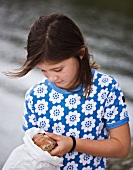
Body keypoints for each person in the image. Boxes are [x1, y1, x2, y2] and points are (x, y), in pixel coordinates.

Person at [6, 12, 131, 169]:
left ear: (80, 54)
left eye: (58, 69)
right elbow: (32, 151)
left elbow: (122, 148)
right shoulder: (35, 96)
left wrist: (73, 144)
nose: (52, 78)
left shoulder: (106, 88)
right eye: (43, 70)